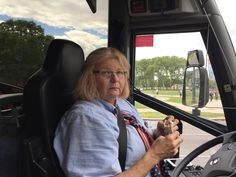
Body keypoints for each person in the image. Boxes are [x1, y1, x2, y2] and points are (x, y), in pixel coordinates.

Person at [53, 47, 183, 177]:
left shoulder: (121, 104)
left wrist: (156, 134)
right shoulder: (85, 119)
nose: (115, 79)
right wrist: (155, 155)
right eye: (107, 73)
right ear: (90, 77)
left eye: (120, 72)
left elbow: (128, 142)